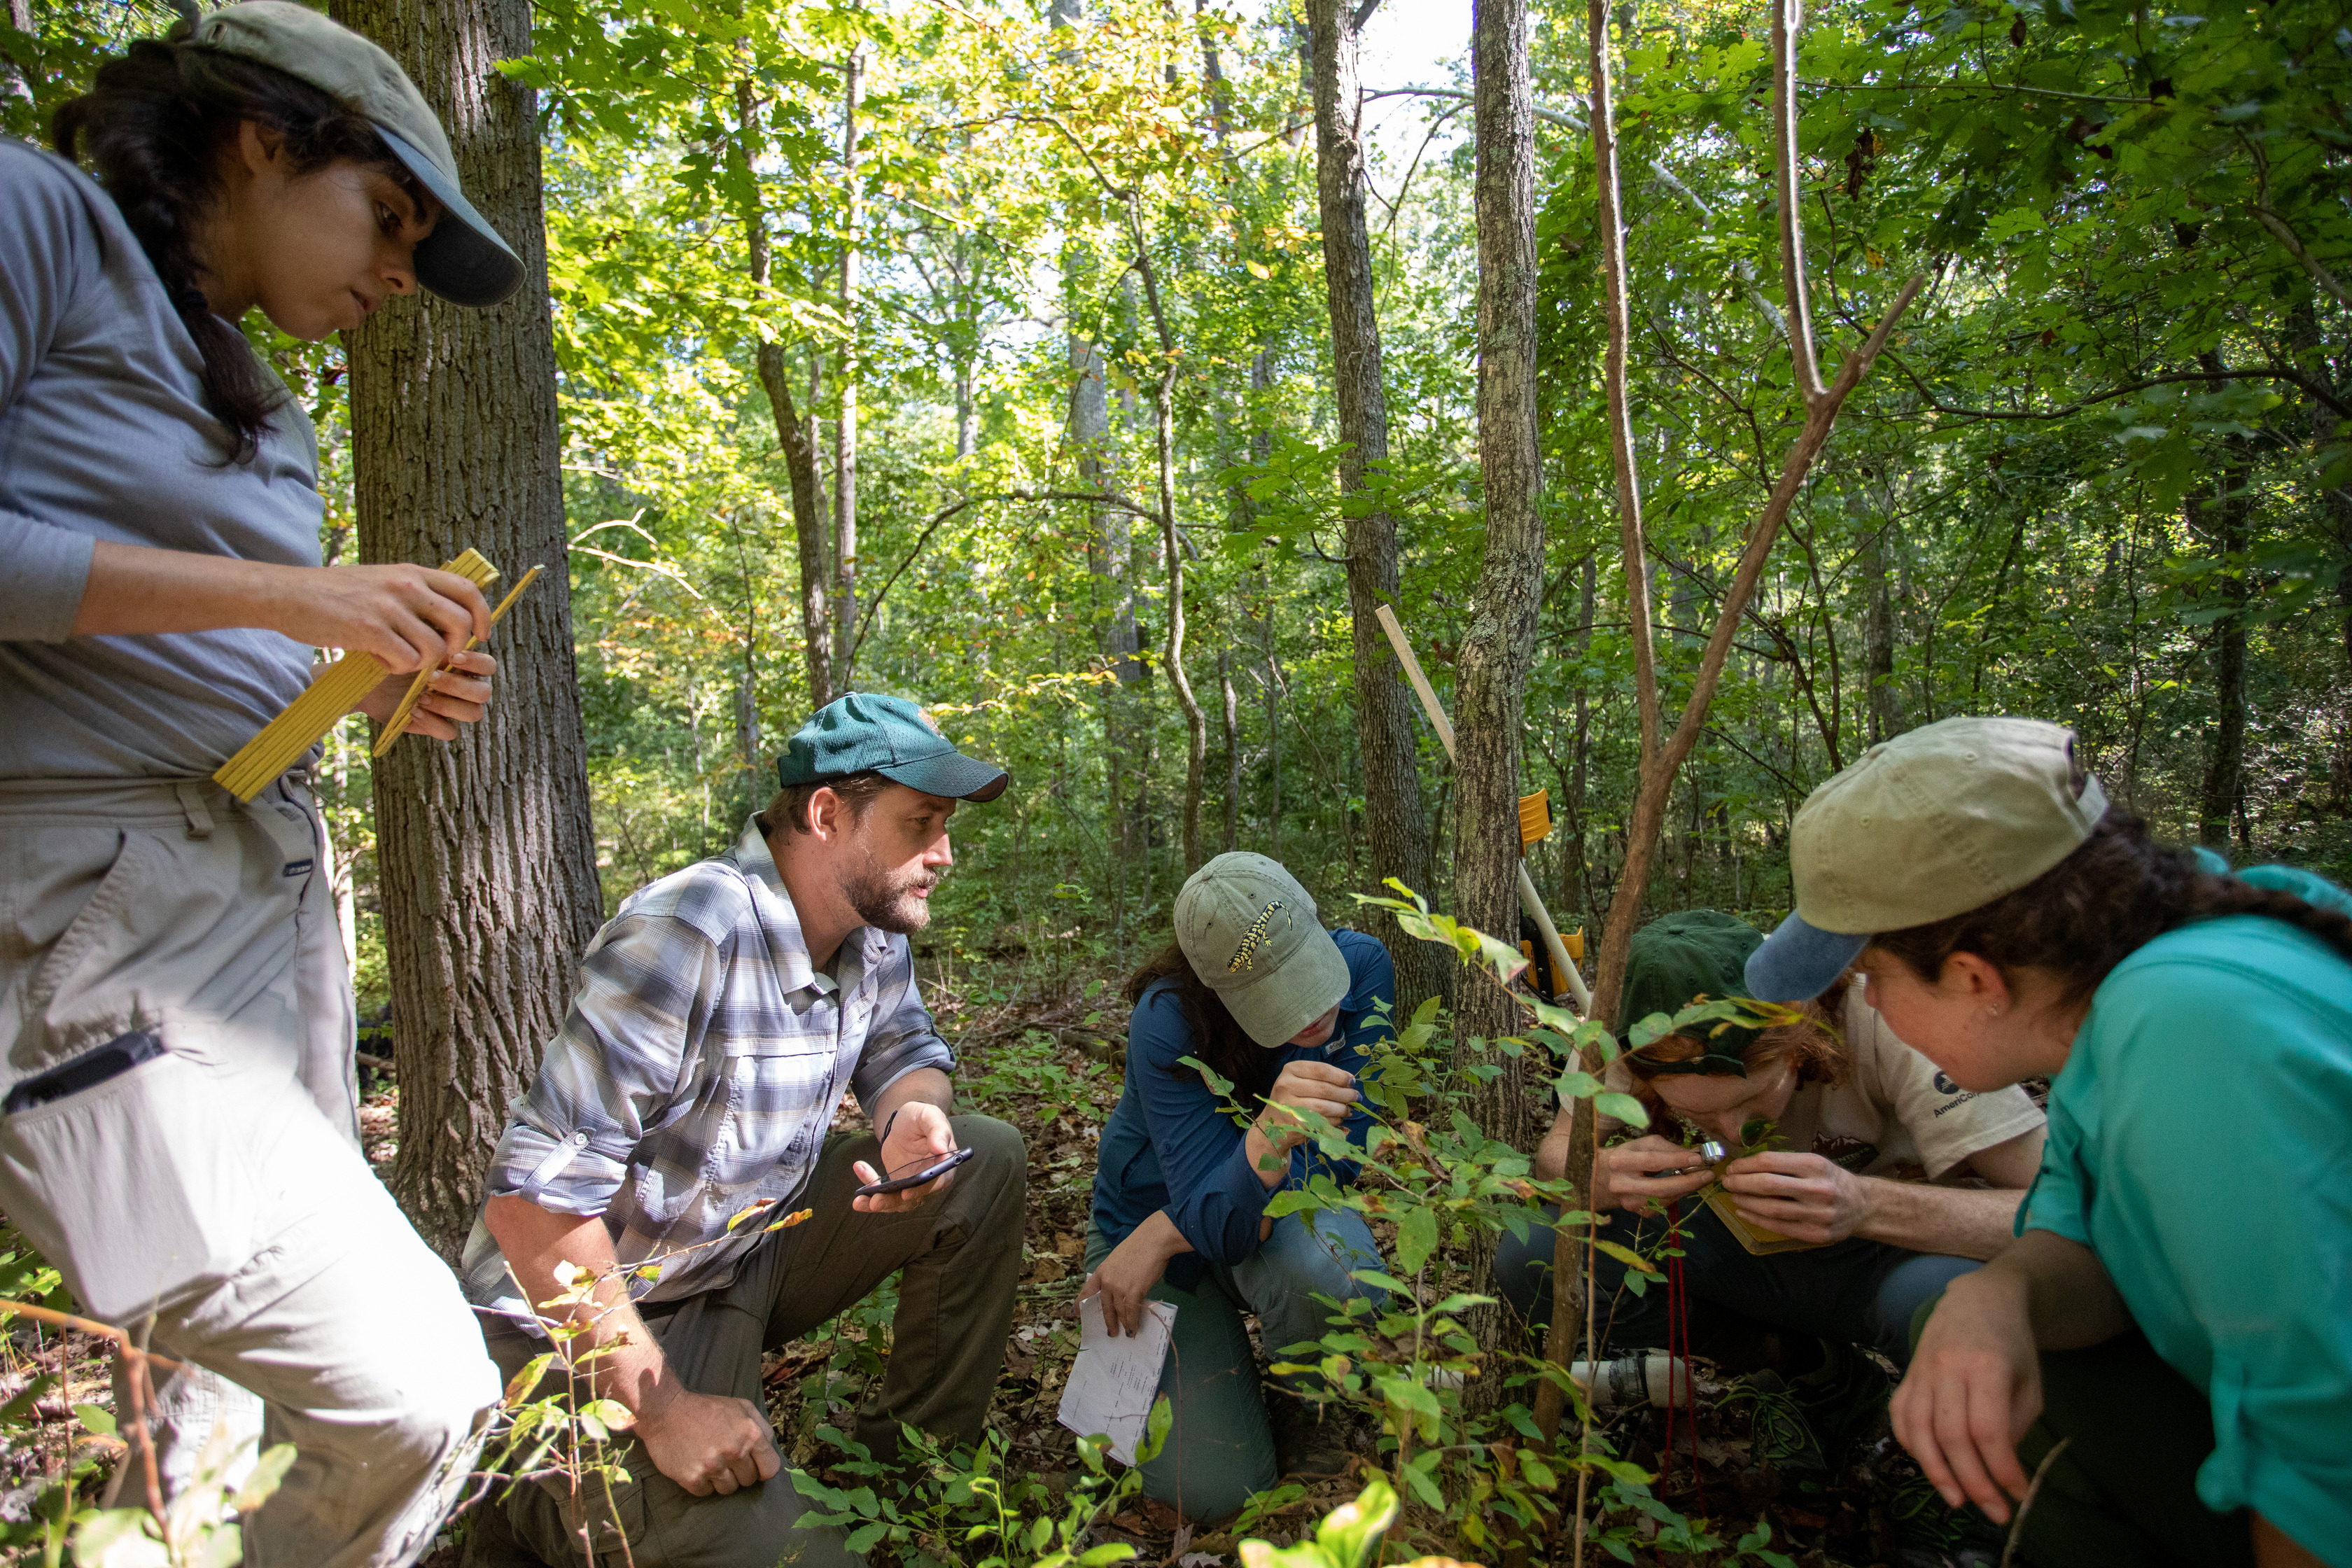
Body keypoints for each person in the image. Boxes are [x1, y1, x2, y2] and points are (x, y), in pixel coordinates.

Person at [1, 4, 535, 1562]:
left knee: (203, 1438)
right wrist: (295, 600)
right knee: (416, 1387)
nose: (393, 276)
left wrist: (365, 679)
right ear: (258, 138)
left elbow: (169, 659)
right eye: (386, 218)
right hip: (92, 925)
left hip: (248, 920)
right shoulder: (37, 219)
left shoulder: (251, 388)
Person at [1741, 715, 2351, 1568]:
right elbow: (2080, 1223)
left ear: (1974, 977)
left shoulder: (2189, 1029)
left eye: (1871, 978)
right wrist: (2002, 1296)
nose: (1868, 1007)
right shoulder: (2123, 1001)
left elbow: (2328, 1446)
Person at [461, 692, 1027, 1568]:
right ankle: (530, 1498)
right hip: (572, 1332)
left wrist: (915, 1112)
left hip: (735, 1264)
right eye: (920, 823)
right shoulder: (691, 928)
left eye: (946, 825)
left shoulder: (871, 931)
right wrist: (663, 1410)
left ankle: (907, 1476)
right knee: (799, 1557)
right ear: (826, 812)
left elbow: (907, 1047)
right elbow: (531, 1208)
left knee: (982, 1155)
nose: (942, 854)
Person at [1503, 909, 2046, 1387]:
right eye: (1699, 1116)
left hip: (1889, 1255)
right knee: (1535, 1252)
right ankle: (1805, 1372)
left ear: (1801, 1035)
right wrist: (1598, 1176)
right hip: (1739, 1253)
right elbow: (1557, 1154)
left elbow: (2067, 1215)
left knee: (1955, 1304)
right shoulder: (1624, 1022)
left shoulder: (1882, 1012)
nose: (1734, 1132)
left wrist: (1866, 1205)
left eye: (1757, 1096)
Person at [1082, 853, 1390, 1523]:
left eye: (1309, 973)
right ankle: (1211, 1378)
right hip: (1145, 1240)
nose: (1314, 1011)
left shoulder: (1363, 967)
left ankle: (1306, 1401)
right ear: (1216, 989)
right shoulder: (1169, 1020)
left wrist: (1170, 1229)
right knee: (1220, 1494)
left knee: (1334, 1267)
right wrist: (1266, 1140)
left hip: (1169, 1234)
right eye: (1276, 994)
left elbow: (1342, 1159)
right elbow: (1220, 1227)